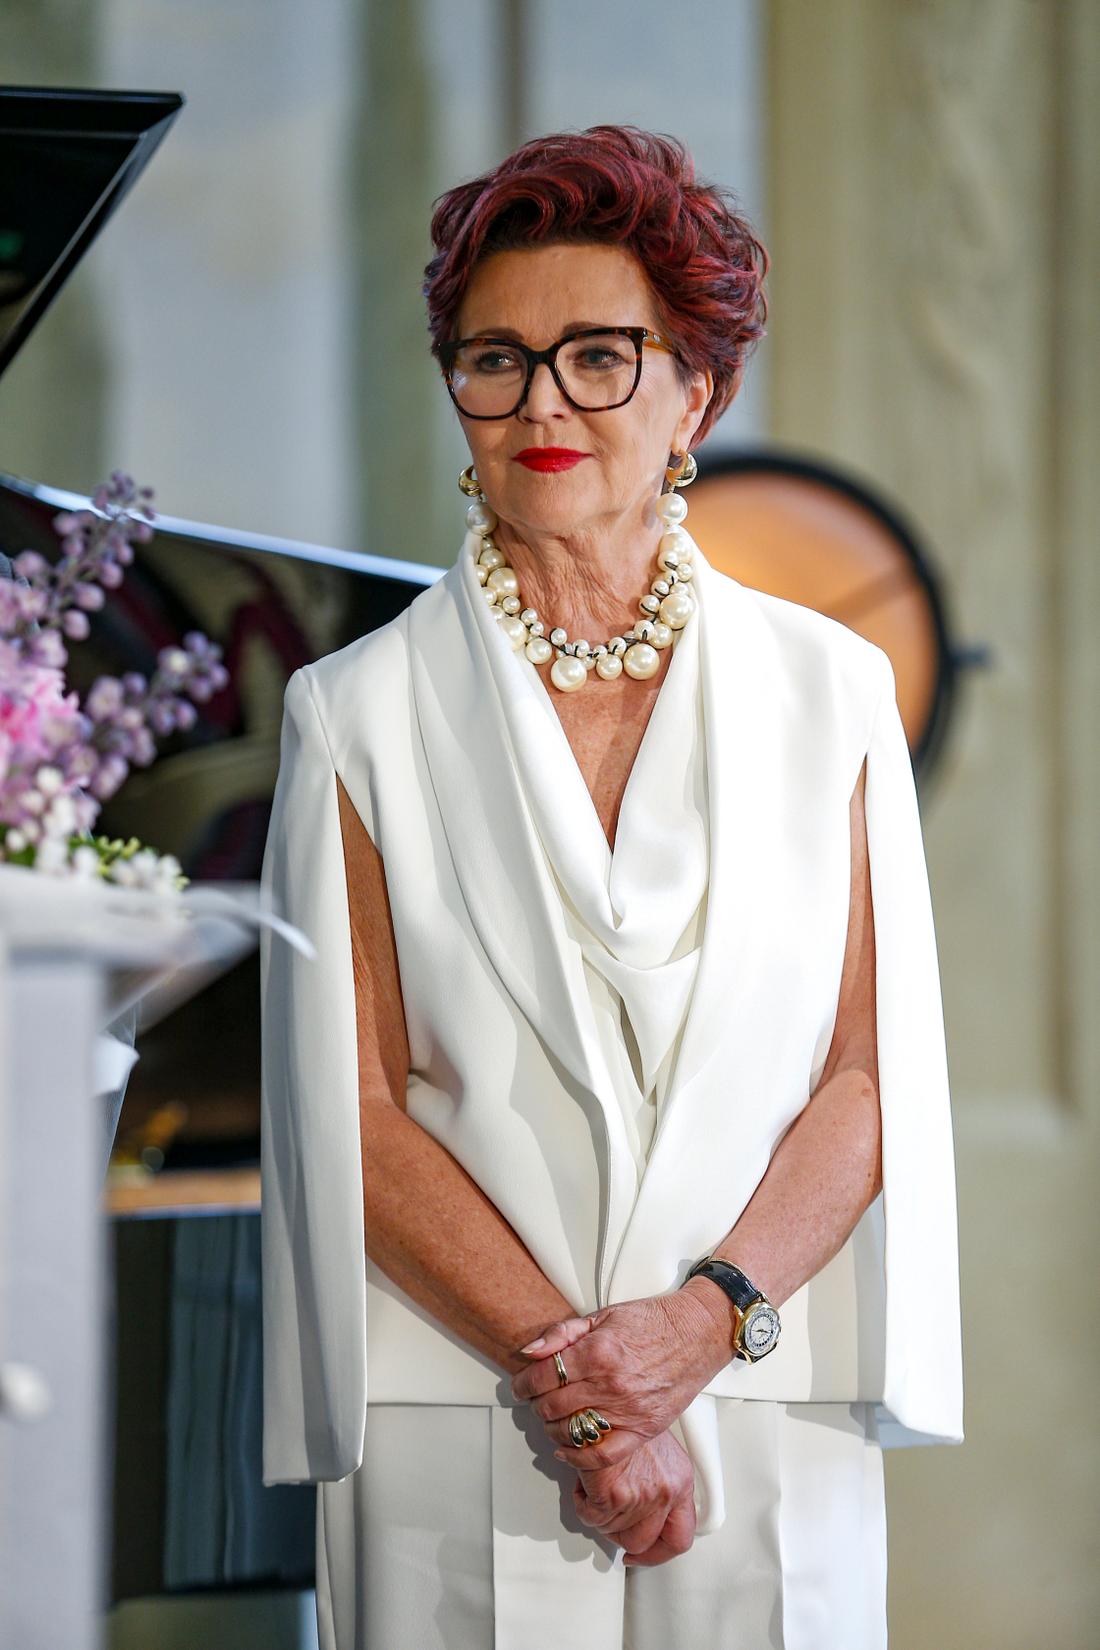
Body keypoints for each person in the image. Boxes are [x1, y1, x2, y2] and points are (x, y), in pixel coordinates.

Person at [259, 126, 963, 1650]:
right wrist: (587, 1392)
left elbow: (870, 1073)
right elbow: (350, 1105)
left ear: (696, 389)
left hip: (764, 1385)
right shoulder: (352, 711)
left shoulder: (835, 690)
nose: (542, 405)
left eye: (598, 356)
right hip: (466, 1408)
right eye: (494, 360)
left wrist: (699, 1327)